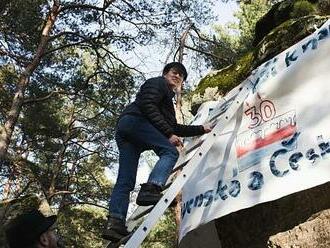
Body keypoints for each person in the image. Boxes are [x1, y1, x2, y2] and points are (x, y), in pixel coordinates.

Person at [102, 62, 212, 241]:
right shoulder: (157, 83)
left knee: (125, 180)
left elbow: (174, 126)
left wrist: (201, 129)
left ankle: (115, 223)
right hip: (134, 122)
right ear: (165, 74)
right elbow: (148, 105)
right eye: (174, 72)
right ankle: (150, 188)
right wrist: (168, 134)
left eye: (181, 76)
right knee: (170, 151)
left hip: (129, 132)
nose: (177, 77)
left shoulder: (167, 102)